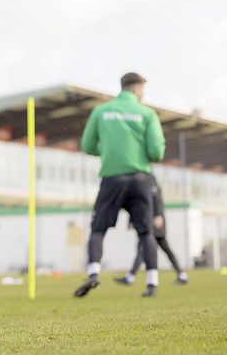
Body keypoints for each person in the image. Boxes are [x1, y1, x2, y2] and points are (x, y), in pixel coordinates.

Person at [74, 72, 165, 298]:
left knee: (98, 229)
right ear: (136, 90)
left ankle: (94, 273)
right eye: (143, 90)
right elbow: (156, 152)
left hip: (112, 178)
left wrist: (107, 151)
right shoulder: (147, 113)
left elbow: (87, 145)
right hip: (140, 179)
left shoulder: (101, 111)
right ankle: (152, 282)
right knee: (146, 233)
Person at [113, 173, 188, 286]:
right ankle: (181, 274)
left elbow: (156, 197)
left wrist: (157, 215)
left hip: (153, 222)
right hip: (146, 220)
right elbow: (134, 203)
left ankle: (131, 277)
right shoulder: (137, 179)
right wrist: (131, 219)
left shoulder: (150, 179)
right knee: (152, 249)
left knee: (146, 249)